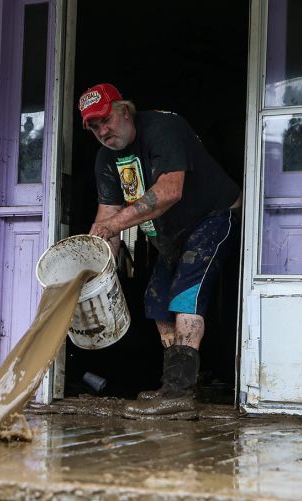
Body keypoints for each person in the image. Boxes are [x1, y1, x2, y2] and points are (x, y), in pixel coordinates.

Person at [78, 83, 242, 418]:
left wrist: (114, 225)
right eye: (94, 127)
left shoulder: (164, 128)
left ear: (125, 110)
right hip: (171, 235)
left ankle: (180, 395)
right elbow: (106, 217)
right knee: (156, 301)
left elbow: (169, 191)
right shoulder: (105, 159)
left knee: (186, 295)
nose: (103, 131)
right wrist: (94, 268)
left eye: (106, 120)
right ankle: (173, 385)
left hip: (214, 216)